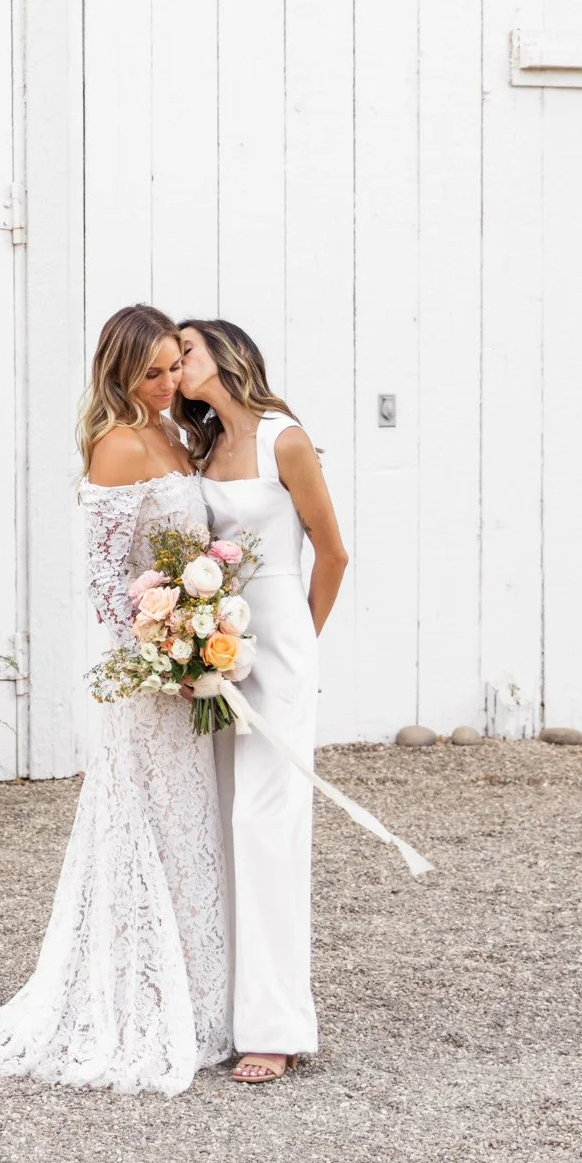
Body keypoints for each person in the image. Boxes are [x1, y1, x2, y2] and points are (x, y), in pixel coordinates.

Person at [0, 304, 231, 1095]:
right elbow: (106, 586)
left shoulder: (178, 435)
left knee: (188, 832)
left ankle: (199, 1003)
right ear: (118, 373)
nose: (169, 381)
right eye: (151, 371)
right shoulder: (117, 445)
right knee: (145, 825)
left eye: (175, 365)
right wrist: (167, 651)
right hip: (144, 679)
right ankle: (132, 1000)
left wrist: (205, 634)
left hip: (187, 665)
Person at [175, 318, 348, 1083]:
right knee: (220, 817)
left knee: (266, 820)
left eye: (187, 349)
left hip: (276, 637)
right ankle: (222, 1009)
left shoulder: (285, 439)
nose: (175, 362)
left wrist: (300, 645)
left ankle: (276, 1025)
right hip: (218, 642)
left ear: (226, 354)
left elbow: (333, 550)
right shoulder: (203, 447)